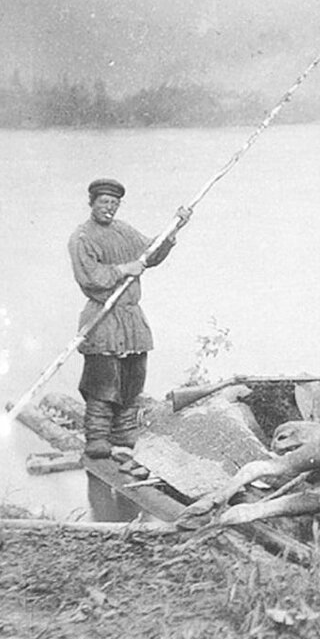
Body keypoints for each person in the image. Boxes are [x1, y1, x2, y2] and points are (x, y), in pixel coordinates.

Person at [69, 178, 191, 459]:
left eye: (114, 204)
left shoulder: (123, 231)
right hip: (103, 316)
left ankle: (123, 432)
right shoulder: (82, 237)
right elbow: (90, 277)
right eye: (103, 203)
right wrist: (125, 269)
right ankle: (97, 436)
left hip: (131, 316)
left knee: (132, 374)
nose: (109, 208)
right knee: (102, 378)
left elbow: (151, 252)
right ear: (92, 203)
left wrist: (174, 229)